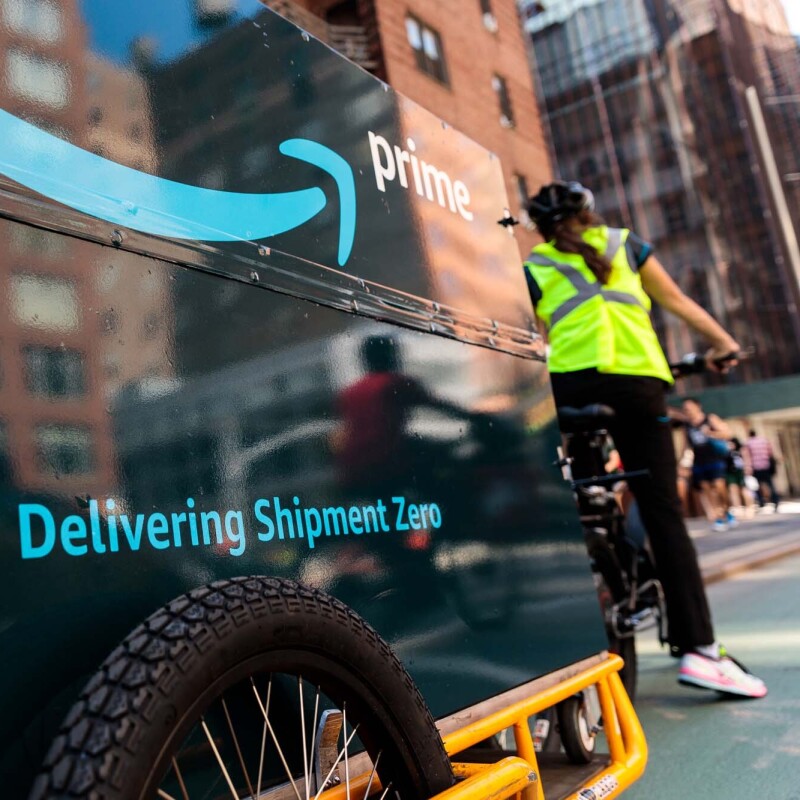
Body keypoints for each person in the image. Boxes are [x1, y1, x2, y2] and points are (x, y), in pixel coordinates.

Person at [523, 180, 766, 698]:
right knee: (660, 508)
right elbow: (675, 300)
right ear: (588, 214)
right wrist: (723, 344)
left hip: (569, 387)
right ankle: (700, 651)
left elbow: (532, 334)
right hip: (635, 384)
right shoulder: (623, 244)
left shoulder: (536, 266)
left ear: (541, 228)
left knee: (577, 500)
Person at [680, 397, 736, 531]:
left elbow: (727, 434)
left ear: (697, 406)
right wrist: (681, 464)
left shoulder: (709, 419)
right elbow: (685, 446)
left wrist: (710, 433)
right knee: (706, 489)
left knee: (719, 486)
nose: (687, 411)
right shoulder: (686, 426)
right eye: (685, 409)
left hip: (714, 458)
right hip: (699, 461)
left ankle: (727, 511)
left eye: (689, 408)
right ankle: (718, 517)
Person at [745, 429, 781, 510]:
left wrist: (748, 467)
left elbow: (748, 456)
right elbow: (770, 452)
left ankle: (761, 502)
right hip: (766, 466)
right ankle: (776, 501)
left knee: (757, 486)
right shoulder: (764, 441)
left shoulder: (748, 443)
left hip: (756, 467)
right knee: (771, 484)